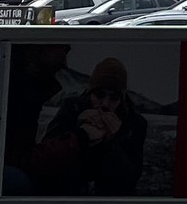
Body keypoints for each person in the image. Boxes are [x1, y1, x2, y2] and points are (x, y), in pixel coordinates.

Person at [12, 56, 147, 196]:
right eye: (100, 95)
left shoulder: (134, 123)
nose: (105, 104)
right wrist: (80, 134)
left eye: (114, 98)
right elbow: (48, 159)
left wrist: (113, 142)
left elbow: (130, 178)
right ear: (90, 93)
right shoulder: (73, 108)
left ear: (122, 99)